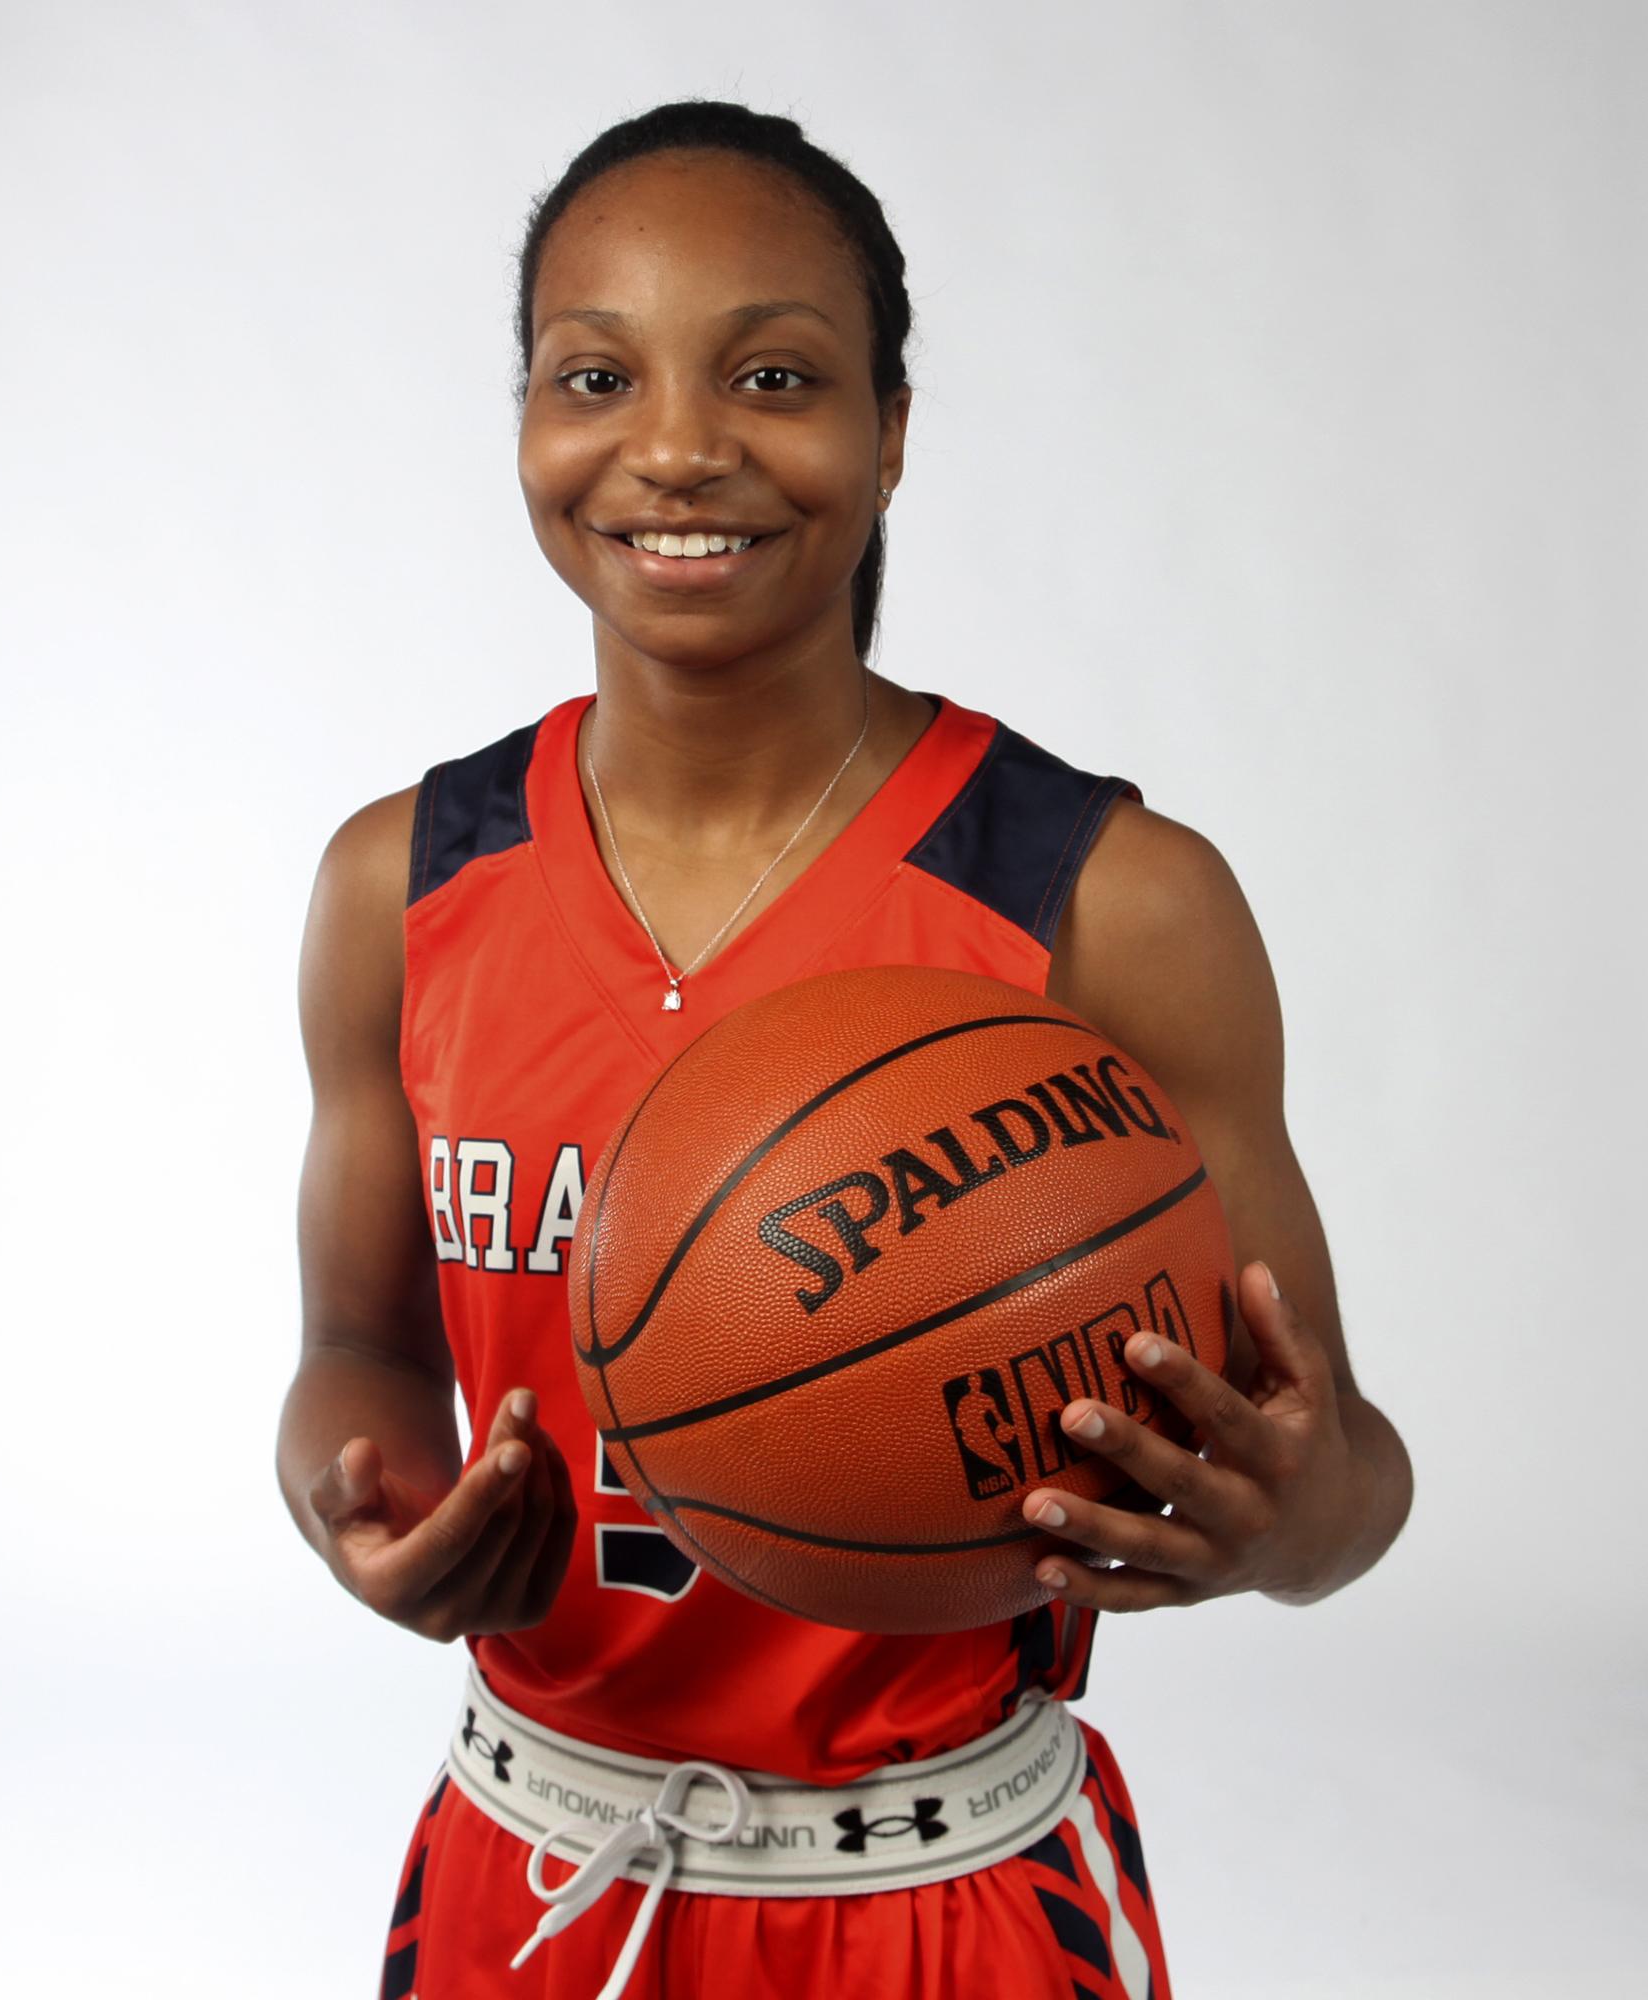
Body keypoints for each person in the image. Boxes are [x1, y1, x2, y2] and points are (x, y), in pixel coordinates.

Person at [276, 97, 1413, 2000]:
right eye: (592, 373)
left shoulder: (1096, 896)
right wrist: (364, 1512)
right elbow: (352, 1355)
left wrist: (1280, 1524)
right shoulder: (404, 882)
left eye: (774, 373)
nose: (673, 446)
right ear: (528, 426)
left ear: (889, 435)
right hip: (526, 1868)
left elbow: (1346, 1477)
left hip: (947, 1890)